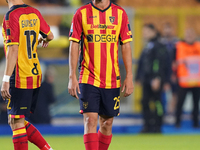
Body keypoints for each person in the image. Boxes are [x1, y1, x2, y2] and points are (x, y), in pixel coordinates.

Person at [68, 0, 134, 149]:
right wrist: (72, 76)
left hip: (111, 78)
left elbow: (126, 45)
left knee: (107, 123)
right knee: (90, 121)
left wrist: (129, 76)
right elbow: (74, 44)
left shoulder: (120, 14)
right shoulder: (81, 13)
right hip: (88, 76)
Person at [1, 0, 54, 150]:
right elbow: (50, 36)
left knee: (16, 122)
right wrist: (42, 39)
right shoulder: (34, 12)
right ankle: (47, 149)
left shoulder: (11, 16)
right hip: (35, 74)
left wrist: (5, 79)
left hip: (19, 75)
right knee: (16, 119)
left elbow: (13, 49)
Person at [135, 24, 170, 133]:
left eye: (146, 31)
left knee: (157, 102)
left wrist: (157, 78)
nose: (144, 34)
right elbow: (142, 62)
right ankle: (147, 125)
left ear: (154, 31)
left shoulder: (159, 45)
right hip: (146, 79)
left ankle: (158, 126)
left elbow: (159, 63)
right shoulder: (147, 46)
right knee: (145, 102)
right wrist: (138, 77)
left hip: (155, 80)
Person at [175, 29, 200, 128]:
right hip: (184, 81)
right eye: (187, 34)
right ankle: (177, 123)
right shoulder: (179, 46)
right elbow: (174, 62)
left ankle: (195, 124)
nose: (189, 36)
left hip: (196, 82)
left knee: (196, 104)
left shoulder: (198, 46)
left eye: (191, 34)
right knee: (180, 103)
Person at [160, 23, 178, 114]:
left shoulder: (177, 43)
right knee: (163, 93)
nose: (168, 32)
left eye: (169, 29)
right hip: (163, 73)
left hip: (174, 72)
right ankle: (163, 112)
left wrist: (175, 72)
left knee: (175, 93)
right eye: (166, 30)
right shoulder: (160, 43)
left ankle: (172, 111)